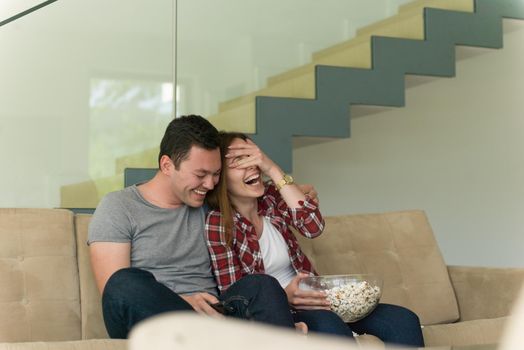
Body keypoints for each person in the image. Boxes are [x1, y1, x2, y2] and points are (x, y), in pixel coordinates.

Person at [88, 115, 303, 339]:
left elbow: (276, 198)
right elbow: (114, 293)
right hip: (157, 320)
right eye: (200, 175)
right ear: (167, 165)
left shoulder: (212, 203)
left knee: (261, 285)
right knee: (124, 283)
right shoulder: (119, 207)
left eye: (216, 174)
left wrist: (293, 184)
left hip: (216, 318)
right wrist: (184, 302)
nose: (209, 184)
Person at [205, 131, 425, 347]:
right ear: (221, 177)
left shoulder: (272, 198)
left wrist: (272, 168)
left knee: (404, 321)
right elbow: (234, 292)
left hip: (317, 299)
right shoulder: (218, 223)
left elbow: (314, 226)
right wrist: (284, 296)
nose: (252, 165)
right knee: (329, 326)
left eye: (253, 156)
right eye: (238, 161)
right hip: (279, 312)